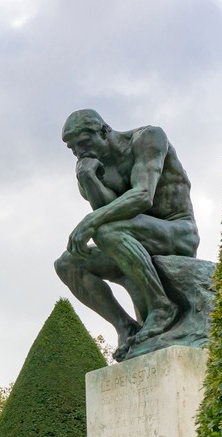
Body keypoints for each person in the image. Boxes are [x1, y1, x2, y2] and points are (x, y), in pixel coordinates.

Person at [53, 109, 199, 360]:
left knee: (104, 229)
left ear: (104, 130)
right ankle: (125, 327)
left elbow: (143, 195)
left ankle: (162, 307)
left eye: (84, 143)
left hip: (176, 232)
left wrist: (91, 221)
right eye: (72, 148)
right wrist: (88, 178)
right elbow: (107, 212)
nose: (79, 152)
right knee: (68, 264)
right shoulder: (90, 168)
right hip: (130, 238)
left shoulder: (148, 139)